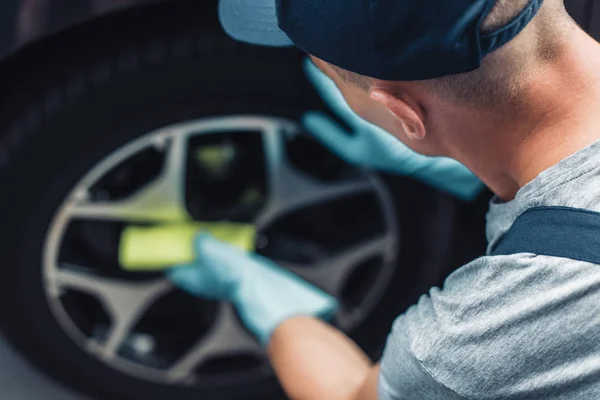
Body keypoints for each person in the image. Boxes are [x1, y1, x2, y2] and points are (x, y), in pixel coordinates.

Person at [168, 0, 600, 398]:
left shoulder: (493, 325)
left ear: (403, 114)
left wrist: (265, 300)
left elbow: (351, 393)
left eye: (334, 79)